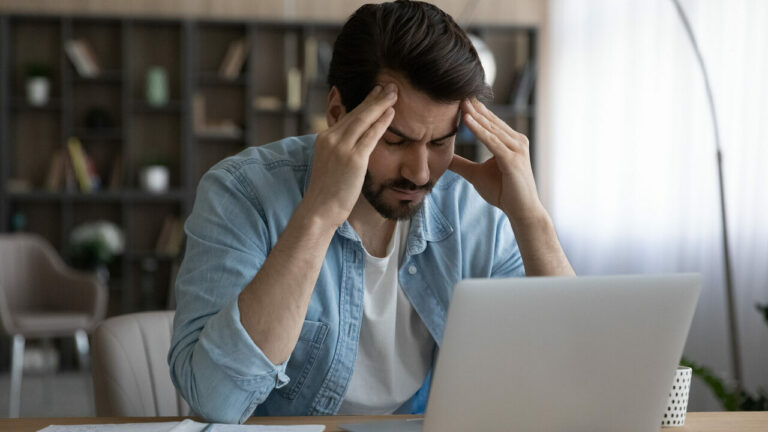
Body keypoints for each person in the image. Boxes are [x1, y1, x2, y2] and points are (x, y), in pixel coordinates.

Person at [169, 0, 574, 424]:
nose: (419, 174)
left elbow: (576, 375)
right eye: (395, 141)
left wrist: (531, 219)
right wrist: (319, 215)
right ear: (338, 113)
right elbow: (217, 401)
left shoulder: (471, 210)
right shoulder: (243, 193)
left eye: (439, 143)